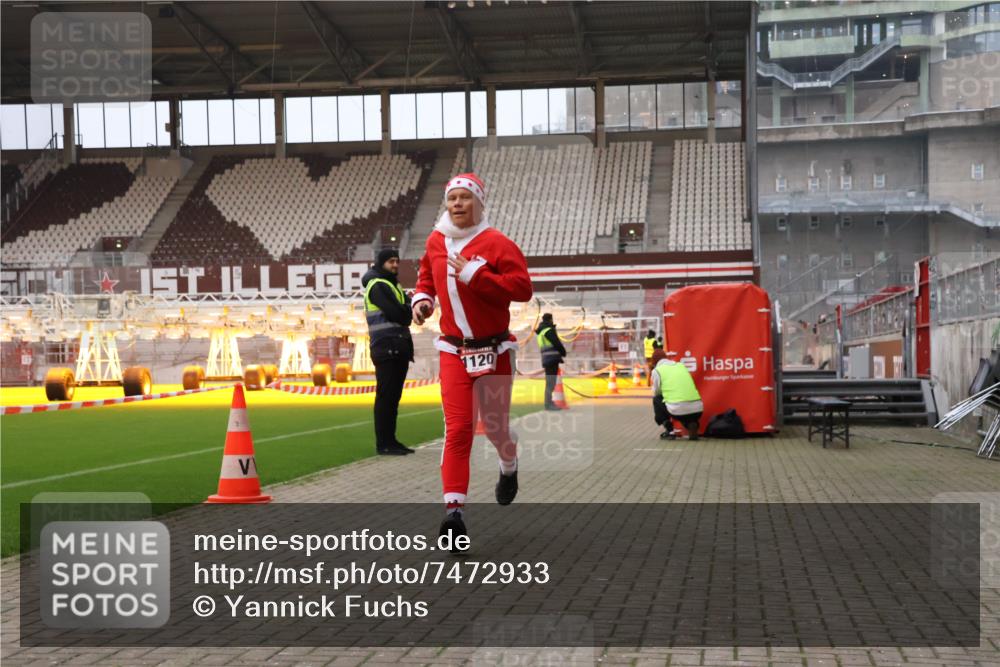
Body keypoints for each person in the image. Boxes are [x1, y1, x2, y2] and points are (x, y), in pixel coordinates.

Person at [412, 172, 533, 547]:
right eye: (452, 199)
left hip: (494, 349)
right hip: (453, 349)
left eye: (466, 198)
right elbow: (426, 278)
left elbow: (522, 290)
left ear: (480, 203)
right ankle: (454, 514)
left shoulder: (498, 243)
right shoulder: (435, 241)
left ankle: (508, 465)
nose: (458, 204)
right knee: (459, 428)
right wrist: (422, 300)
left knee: (495, 428)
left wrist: (475, 274)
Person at [362, 248, 415, 456]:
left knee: (393, 398)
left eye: (397, 261)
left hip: (397, 346)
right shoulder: (378, 286)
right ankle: (384, 443)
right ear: (381, 263)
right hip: (387, 346)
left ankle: (390, 440)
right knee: (386, 397)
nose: (395, 265)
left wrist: (405, 311)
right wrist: (406, 312)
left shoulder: (393, 285)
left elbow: (406, 311)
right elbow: (401, 315)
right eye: (391, 261)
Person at [651, 355, 704, 441]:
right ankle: (692, 423)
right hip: (698, 409)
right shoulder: (681, 365)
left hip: (678, 410)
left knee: (657, 399)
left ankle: (669, 430)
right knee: (684, 410)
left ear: (654, 363)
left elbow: (657, 391)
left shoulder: (657, 370)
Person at [536, 313, 567, 410]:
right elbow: (556, 343)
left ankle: (549, 403)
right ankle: (548, 404)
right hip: (552, 359)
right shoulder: (548, 330)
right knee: (551, 383)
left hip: (547, 359)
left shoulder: (541, 332)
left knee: (550, 382)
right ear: (550, 319)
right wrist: (563, 352)